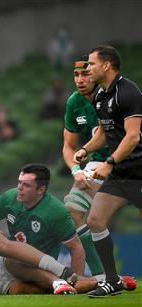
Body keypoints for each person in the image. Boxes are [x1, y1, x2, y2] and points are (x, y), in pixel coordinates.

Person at [74, 45, 142, 297]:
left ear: (106, 65)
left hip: (138, 173)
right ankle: (112, 280)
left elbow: (133, 136)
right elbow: (104, 133)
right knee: (95, 220)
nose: (87, 68)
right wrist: (86, 150)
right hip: (119, 176)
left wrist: (109, 162)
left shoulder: (129, 92)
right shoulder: (101, 95)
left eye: (91, 64)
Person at [0, 164, 86, 275]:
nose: (19, 187)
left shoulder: (56, 212)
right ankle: (58, 281)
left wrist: (79, 280)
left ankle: (61, 281)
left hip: (43, 269)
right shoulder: (9, 197)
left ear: (41, 190)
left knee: (15, 273)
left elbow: (76, 248)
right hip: (12, 264)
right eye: (19, 182)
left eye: (26, 185)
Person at [62, 56, 109, 279]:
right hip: (99, 161)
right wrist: (76, 171)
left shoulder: (115, 95)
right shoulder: (74, 102)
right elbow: (68, 146)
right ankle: (102, 276)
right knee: (73, 208)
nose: (80, 80)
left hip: (131, 160)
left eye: (86, 74)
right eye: (76, 75)